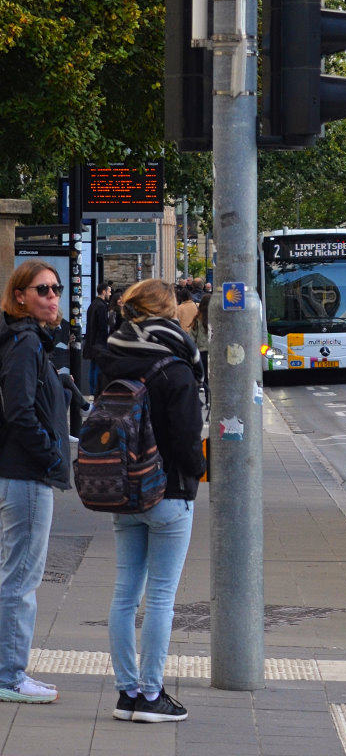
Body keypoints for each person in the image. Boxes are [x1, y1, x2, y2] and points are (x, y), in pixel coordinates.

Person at [92, 279, 206, 724]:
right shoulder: (175, 369)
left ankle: (126, 693)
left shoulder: (113, 363)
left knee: (125, 594)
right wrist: (197, 470)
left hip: (124, 490)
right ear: (167, 314)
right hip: (169, 492)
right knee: (161, 597)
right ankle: (152, 694)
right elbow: (184, 440)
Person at [0, 260, 70, 704]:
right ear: (20, 295)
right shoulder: (25, 342)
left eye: (56, 289)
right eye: (42, 289)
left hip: (25, 472)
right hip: (27, 474)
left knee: (18, 575)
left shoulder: (30, 341)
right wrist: (50, 453)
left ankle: (10, 670)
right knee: (21, 579)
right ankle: (9, 675)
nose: (52, 297)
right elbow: (20, 411)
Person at [84, 281, 114, 394]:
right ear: (104, 291)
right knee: (97, 369)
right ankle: (95, 392)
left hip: (91, 342)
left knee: (92, 368)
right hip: (99, 343)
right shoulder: (102, 307)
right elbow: (103, 327)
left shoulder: (93, 305)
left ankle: (92, 392)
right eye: (109, 292)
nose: (110, 294)